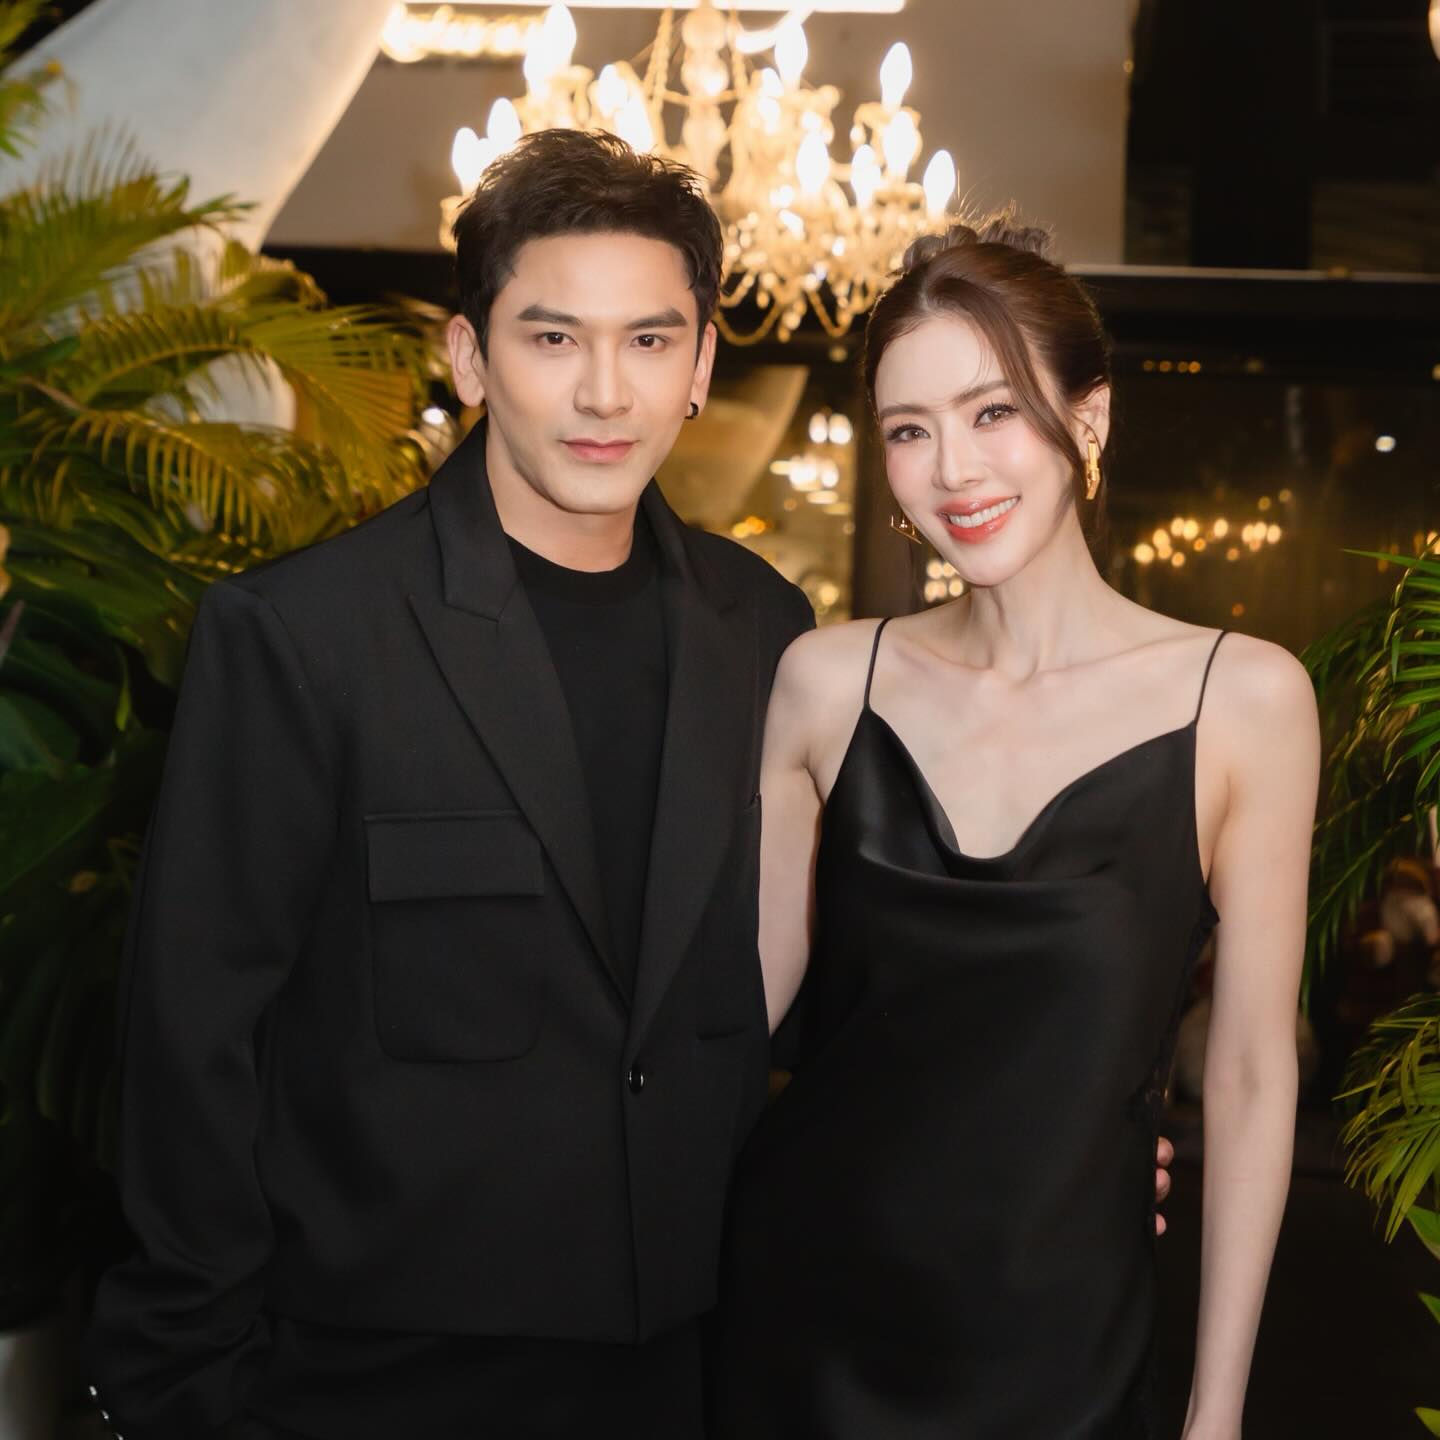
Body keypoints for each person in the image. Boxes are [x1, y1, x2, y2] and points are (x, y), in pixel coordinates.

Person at [83, 129, 814, 1440]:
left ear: (703, 364)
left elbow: (819, 981)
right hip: (369, 1371)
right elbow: (193, 1036)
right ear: (471, 358)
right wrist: (193, 1381)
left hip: (684, 1364)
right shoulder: (304, 633)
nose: (606, 392)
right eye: (553, 338)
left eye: (651, 340)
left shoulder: (765, 627)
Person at [710, 217, 1318, 1438]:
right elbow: (722, 1028)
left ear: (1089, 420)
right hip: (805, 1322)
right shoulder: (826, 682)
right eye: (909, 431)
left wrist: (1217, 1415)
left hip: (1063, 1347)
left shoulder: (1244, 700)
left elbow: (1253, 1075)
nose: (954, 471)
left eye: (992, 412)